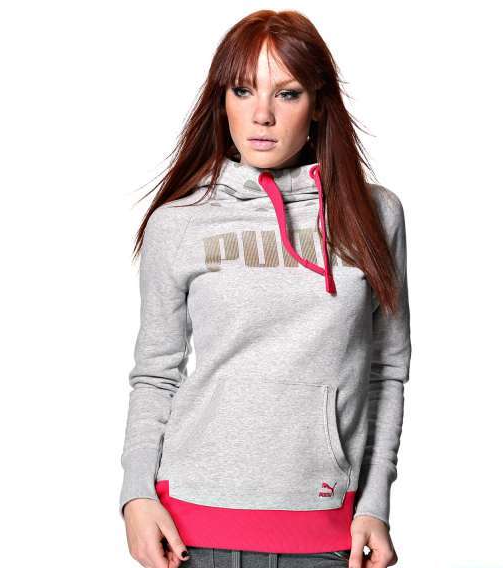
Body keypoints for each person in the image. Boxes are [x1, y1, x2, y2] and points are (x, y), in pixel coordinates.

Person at [119, 9, 411, 568]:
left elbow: (387, 372)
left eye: (287, 93)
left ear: (318, 104)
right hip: (188, 530)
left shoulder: (374, 215)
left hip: (326, 532)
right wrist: (136, 496)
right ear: (222, 100)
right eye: (243, 90)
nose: (262, 115)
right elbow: (156, 373)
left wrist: (375, 503)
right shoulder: (179, 223)